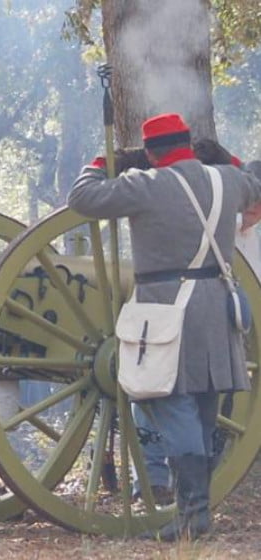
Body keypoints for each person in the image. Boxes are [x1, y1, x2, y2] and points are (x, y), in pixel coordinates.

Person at [68, 113, 261, 541]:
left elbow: (82, 196)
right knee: (206, 410)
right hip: (217, 307)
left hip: (167, 308)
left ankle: (193, 515)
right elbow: (254, 177)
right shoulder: (225, 181)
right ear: (189, 145)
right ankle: (196, 509)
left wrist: (108, 160)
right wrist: (222, 155)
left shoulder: (148, 185)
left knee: (172, 403)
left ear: (151, 154)